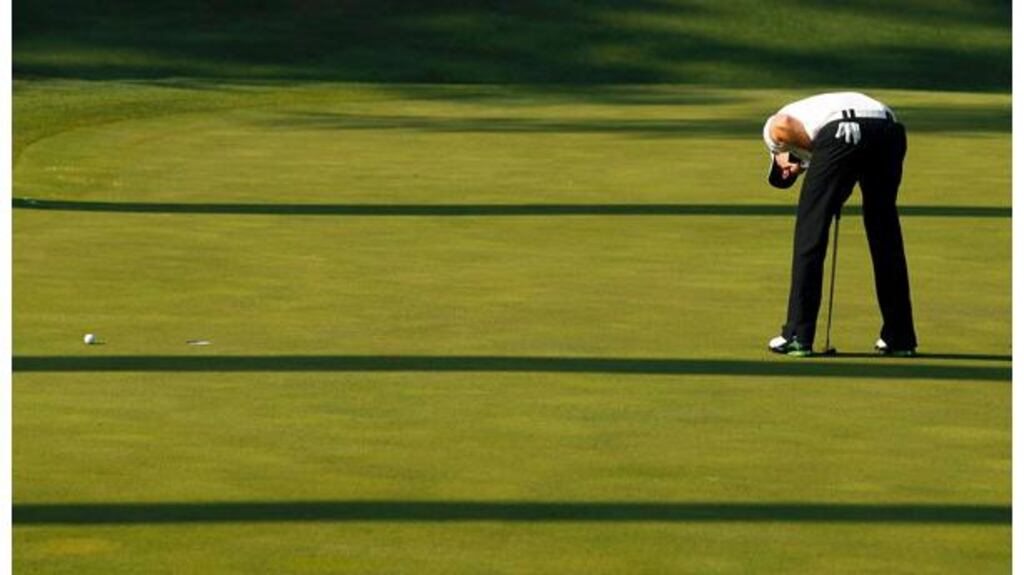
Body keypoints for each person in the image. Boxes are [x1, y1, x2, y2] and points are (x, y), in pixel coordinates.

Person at [763, 92, 917, 357]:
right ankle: (900, 336)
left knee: (810, 232)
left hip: (845, 127)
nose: (787, 172)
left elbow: (783, 124)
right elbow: (847, 157)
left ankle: (798, 335)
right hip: (888, 130)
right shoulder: (812, 121)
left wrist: (822, 159)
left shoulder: (775, 139)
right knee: (884, 230)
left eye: (781, 170)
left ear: (778, 154)